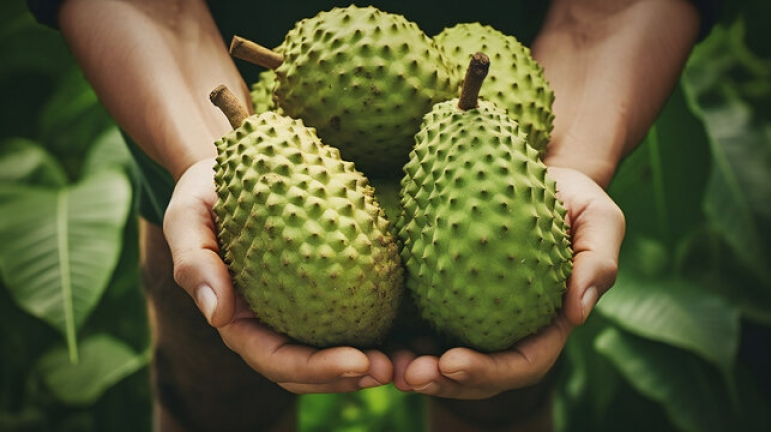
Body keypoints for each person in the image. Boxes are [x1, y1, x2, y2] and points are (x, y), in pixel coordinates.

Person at [28, 0, 714, 430]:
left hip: (521, 150)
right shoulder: (264, 157)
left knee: (498, 407)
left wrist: (577, 162)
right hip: (202, 147)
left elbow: (609, 13)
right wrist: (201, 161)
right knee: (207, 404)